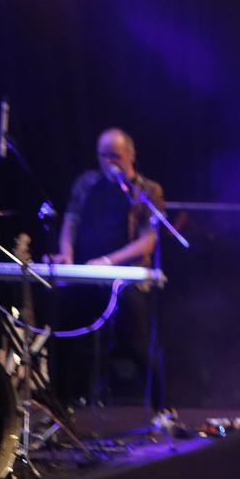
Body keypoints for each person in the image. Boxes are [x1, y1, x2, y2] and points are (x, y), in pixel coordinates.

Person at [54, 127, 167, 409]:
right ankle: (59, 407)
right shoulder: (86, 183)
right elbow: (71, 221)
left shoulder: (147, 191)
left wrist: (109, 261)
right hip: (86, 273)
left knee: (139, 344)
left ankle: (161, 410)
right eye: (103, 156)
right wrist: (66, 253)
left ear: (131, 155)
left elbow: (148, 241)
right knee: (61, 333)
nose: (109, 162)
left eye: (115, 156)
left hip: (125, 278)